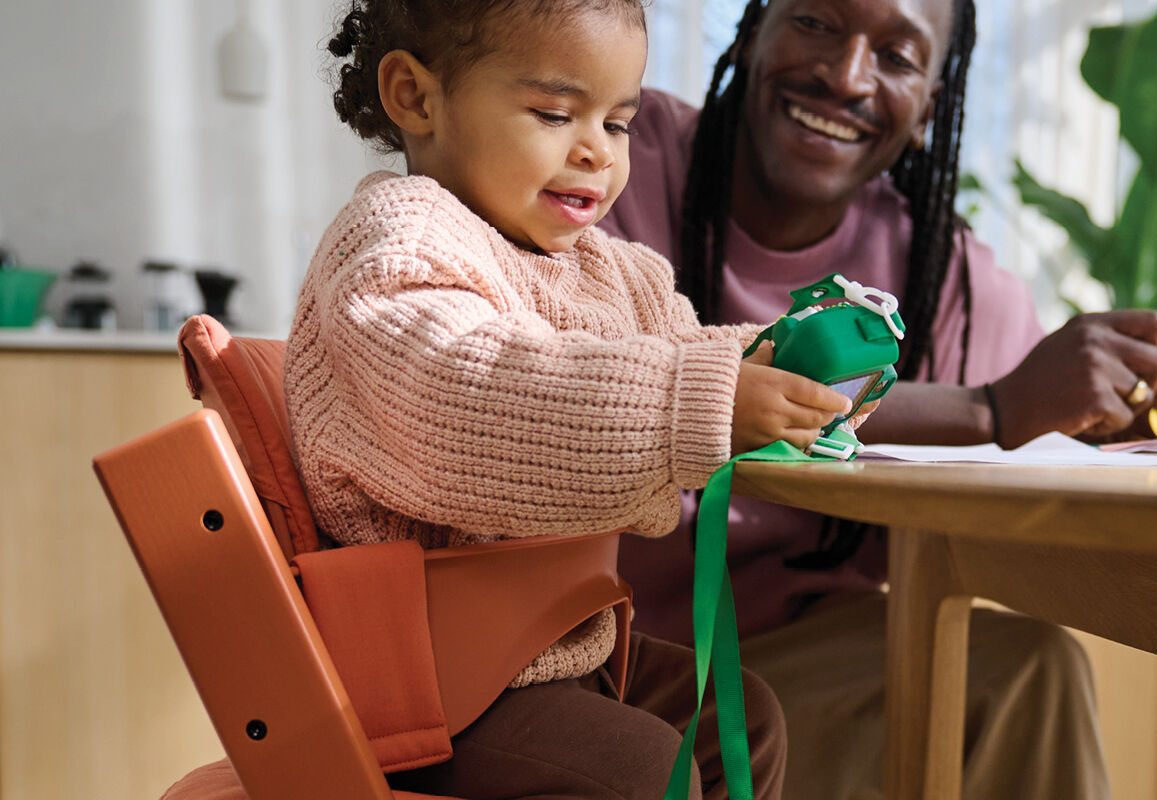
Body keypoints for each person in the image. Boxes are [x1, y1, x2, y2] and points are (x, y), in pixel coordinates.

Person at [599, 1, 1157, 798]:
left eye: (896, 56)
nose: (846, 76)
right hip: (595, 663)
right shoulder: (610, 159)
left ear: (930, 105)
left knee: (1027, 670)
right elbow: (624, 374)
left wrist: (1155, 425)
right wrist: (989, 409)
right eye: (816, 22)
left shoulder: (945, 276)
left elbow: (1023, 484)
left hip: (791, 663)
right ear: (751, 32)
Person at [286, 0, 866, 796]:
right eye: (556, 113)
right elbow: (471, 394)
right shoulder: (397, 240)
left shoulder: (607, 268)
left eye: (619, 123)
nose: (596, 151)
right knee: (639, 769)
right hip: (426, 677)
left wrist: (785, 357)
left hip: (555, 646)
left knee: (741, 720)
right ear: (416, 97)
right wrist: (695, 403)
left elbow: (686, 351)